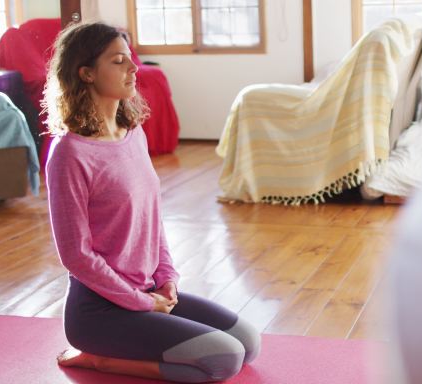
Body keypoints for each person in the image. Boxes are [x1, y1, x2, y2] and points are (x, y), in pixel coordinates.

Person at [43, 22, 260, 383]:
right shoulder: (69, 153)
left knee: (248, 342)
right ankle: (100, 360)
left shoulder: (133, 135)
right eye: (118, 61)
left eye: (130, 59)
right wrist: (142, 302)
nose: (133, 69)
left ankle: (126, 335)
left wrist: (167, 279)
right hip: (99, 311)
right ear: (86, 74)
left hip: (147, 292)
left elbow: (152, 217)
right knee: (224, 359)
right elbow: (76, 256)